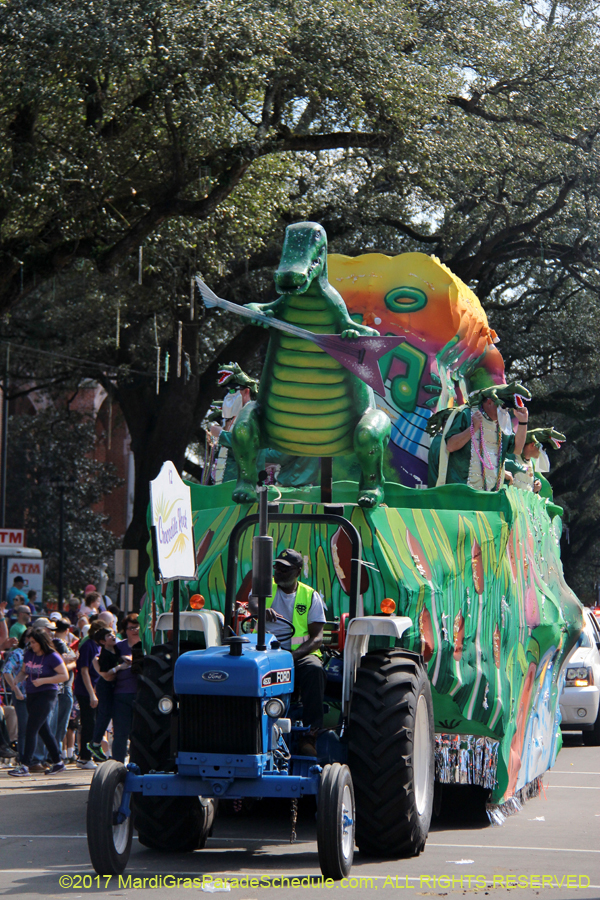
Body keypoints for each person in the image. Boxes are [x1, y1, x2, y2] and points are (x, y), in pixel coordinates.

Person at [248, 549, 326, 756]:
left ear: (298, 571)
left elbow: (317, 638)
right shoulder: (266, 588)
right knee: (246, 669)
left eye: (284, 568)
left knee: (314, 669)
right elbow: (253, 602)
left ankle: (310, 734)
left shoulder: (310, 596)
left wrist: (292, 656)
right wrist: (260, 610)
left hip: (298, 655)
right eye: (276, 567)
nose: (278, 571)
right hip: (265, 651)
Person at [428, 386, 529, 490]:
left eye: (507, 409)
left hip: (489, 494)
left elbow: (517, 449)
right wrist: (472, 429)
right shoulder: (466, 414)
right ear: (489, 402)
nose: (505, 411)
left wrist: (523, 422)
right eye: (503, 407)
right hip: (463, 490)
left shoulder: (502, 423)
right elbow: (450, 446)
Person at [8, 627, 69, 776]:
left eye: (34, 642)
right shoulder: (29, 654)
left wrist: (44, 681)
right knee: (44, 730)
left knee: (31, 728)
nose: (31, 645)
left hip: (47, 694)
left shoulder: (52, 656)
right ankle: (58, 762)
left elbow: (64, 675)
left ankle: (25, 765)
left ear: (41, 642)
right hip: (32, 693)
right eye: (30, 642)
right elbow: (24, 671)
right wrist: (17, 680)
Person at [87, 627, 129, 762]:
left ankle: (97, 743)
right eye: (108, 635)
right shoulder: (103, 655)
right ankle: (95, 743)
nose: (112, 636)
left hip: (113, 687)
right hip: (105, 688)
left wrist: (124, 658)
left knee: (109, 714)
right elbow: (105, 675)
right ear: (102, 641)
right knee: (105, 714)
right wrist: (119, 667)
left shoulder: (116, 649)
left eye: (112, 633)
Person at [107, 614, 142, 762]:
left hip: (141, 694)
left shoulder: (146, 646)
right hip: (121, 694)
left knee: (139, 733)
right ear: (125, 630)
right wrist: (120, 666)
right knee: (120, 733)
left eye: (137, 627)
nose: (135, 630)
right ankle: (118, 764)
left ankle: (137, 762)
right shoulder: (118, 647)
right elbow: (106, 669)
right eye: (131, 628)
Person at [72, 620, 103, 769]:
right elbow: (84, 671)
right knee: (88, 723)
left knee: (95, 723)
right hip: (86, 690)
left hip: (96, 688)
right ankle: (84, 757)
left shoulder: (98, 646)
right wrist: (92, 694)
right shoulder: (88, 645)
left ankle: (90, 754)